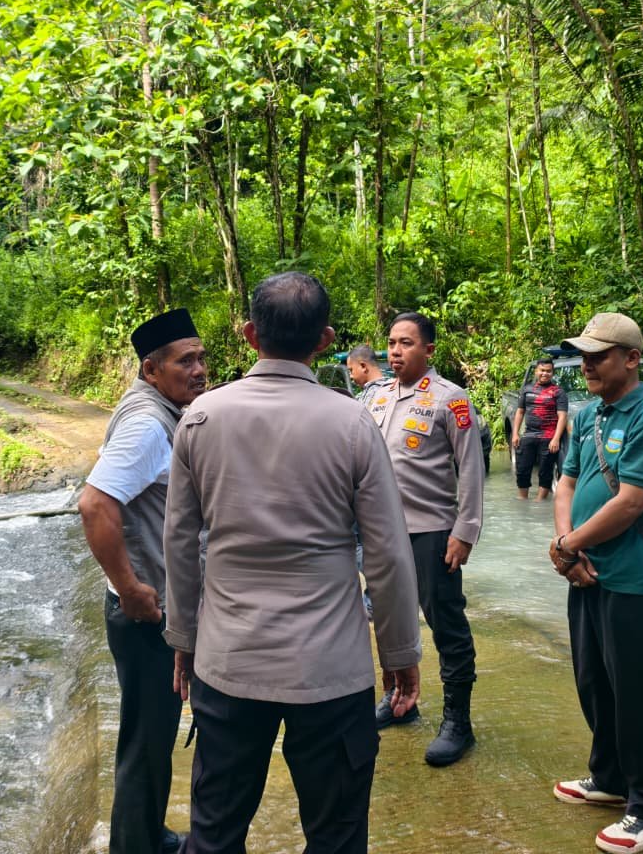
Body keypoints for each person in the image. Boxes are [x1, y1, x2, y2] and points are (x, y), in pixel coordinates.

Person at [163, 272, 421, 854]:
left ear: (250, 334)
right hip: (330, 668)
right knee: (335, 838)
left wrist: (183, 640)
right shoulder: (353, 423)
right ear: (325, 340)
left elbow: (179, 543)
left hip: (229, 663)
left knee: (215, 834)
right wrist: (400, 654)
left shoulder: (200, 421)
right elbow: (387, 554)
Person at [548, 313, 643, 854]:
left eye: (598, 356)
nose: (587, 366)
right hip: (585, 574)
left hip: (635, 580)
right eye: (584, 356)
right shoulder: (587, 416)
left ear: (631, 359)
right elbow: (566, 483)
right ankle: (608, 779)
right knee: (594, 682)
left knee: (638, 695)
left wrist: (569, 545)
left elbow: (631, 503)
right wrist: (566, 549)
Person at [78, 308, 208, 854]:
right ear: (152, 370)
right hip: (145, 614)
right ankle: (136, 845)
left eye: (202, 356)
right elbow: (94, 504)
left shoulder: (158, 407)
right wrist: (130, 588)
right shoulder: (147, 424)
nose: (200, 369)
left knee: (151, 737)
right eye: (186, 361)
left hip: (150, 608)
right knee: (146, 741)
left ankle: (148, 834)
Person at [367, 311, 484, 766]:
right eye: (392, 343)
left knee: (447, 625)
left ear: (428, 350)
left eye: (406, 343)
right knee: (387, 620)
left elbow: (471, 469)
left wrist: (465, 531)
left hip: (432, 532)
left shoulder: (450, 400)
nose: (395, 351)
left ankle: (458, 721)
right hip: (380, 534)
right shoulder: (372, 397)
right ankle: (399, 700)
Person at [511, 357, 568, 501]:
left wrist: (556, 438)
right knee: (522, 469)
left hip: (548, 437)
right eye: (542, 370)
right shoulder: (526, 389)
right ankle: (522, 499)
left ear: (552, 373)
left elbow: (562, 417)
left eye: (548, 371)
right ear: (536, 371)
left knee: (545, 471)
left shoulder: (558, 392)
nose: (545, 374)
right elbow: (520, 412)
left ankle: (540, 502)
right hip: (529, 434)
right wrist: (515, 433)